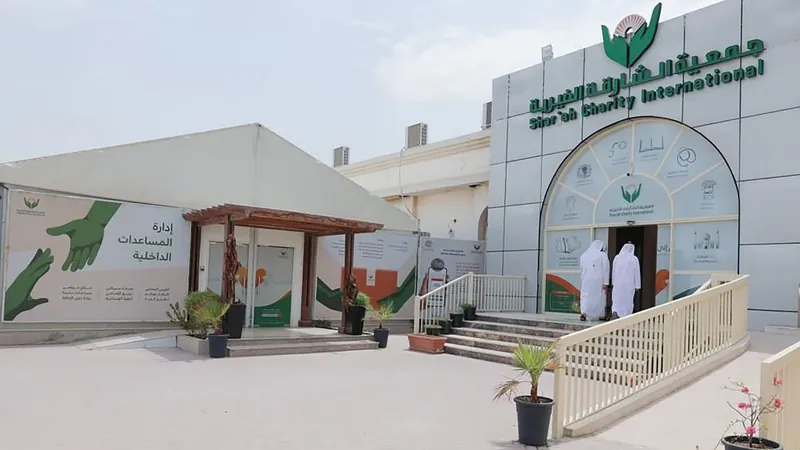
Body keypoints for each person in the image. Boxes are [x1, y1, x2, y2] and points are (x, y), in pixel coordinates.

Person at [579, 240, 609, 321]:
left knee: (586, 296)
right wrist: (606, 283)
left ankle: (584, 313)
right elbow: (606, 269)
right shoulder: (602, 255)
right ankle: (600, 315)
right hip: (598, 281)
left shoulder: (584, 255)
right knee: (598, 297)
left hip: (586, 280)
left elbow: (581, 270)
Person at [611, 243, 641, 319]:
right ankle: (625, 316)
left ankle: (615, 311)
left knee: (617, 299)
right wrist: (637, 286)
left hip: (618, 284)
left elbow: (613, 271)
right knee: (627, 300)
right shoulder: (634, 259)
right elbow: (637, 273)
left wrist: (613, 282)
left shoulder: (617, 258)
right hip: (629, 284)